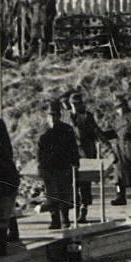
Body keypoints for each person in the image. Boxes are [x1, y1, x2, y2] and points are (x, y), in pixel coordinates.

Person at [36, 103, 81, 231]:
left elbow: (73, 147)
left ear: (59, 116)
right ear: (47, 116)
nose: (53, 118)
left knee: (64, 193)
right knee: (51, 195)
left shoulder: (67, 129)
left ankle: (65, 219)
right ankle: (54, 220)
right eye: (51, 115)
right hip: (48, 167)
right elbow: (38, 150)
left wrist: (76, 162)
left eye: (55, 115)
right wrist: (40, 166)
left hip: (63, 165)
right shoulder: (43, 129)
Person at [68, 93, 104, 222]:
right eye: (73, 104)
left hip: (85, 153)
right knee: (73, 183)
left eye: (77, 104)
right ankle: (76, 209)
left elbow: (96, 131)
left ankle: (83, 210)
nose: (75, 106)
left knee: (84, 183)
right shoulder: (67, 117)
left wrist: (107, 145)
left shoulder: (87, 117)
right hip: (71, 153)